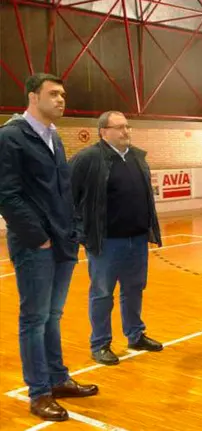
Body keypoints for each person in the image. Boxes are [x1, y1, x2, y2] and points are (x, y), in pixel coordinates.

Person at [0, 73, 98, 421]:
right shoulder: (11, 136)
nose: (61, 100)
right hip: (36, 246)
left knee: (53, 316)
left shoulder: (53, 136)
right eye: (53, 94)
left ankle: (57, 379)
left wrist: (74, 229)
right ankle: (39, 392)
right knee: (34, 318)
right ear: (32, 96)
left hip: (62, 241)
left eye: (63, 94)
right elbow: (6, 195)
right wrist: (37, 237)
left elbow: (63, 191)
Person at [69, 110, 164, 366]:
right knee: (102, 293)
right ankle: (100, 344)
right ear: (104, 132)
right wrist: (79, 231)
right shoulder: (88, 158)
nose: (126, 131)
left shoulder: (137, 157)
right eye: (119, 127)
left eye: (127, 126)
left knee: (134, 289)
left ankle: (135, 335)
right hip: (106, 242)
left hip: (137, 239)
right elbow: (67, 196)